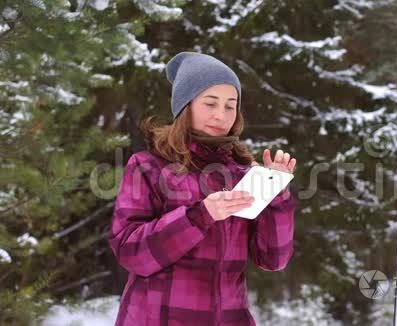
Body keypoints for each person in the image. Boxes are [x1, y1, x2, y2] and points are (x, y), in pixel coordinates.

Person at [108, 52, 297, 326]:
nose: (221, 115)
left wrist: (277, 193)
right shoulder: (148, 166)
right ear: (186, 106)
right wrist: (199, 215)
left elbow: (273, 260)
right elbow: (130, 252)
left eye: (230, 106)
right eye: (210, 103)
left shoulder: (244, 174)